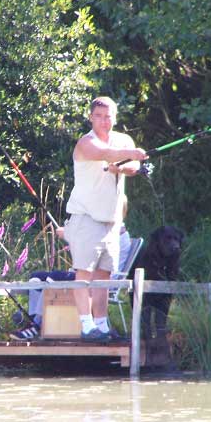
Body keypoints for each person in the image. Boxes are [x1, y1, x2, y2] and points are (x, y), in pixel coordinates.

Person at [63, 96, 147, 341]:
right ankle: (86, 325)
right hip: (86, 217)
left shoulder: (123, 140)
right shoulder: (85, 143)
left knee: (103, 276)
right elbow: (104, 153)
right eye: (98, 116)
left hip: (112, 222)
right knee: (84, 273)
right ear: (91, 117)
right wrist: (129, 154)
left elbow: (133, 167)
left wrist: (121, 166)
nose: (103, 120)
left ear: (115, 117)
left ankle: (101, 325)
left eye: (108, 116)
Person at [9, 216, 132, 340]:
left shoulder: (115, 236)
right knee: (36, 278)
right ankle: (34, 320)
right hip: (88, 275)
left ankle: (36, 325)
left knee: (54, 278)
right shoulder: (109, 233)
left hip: (97, 281)